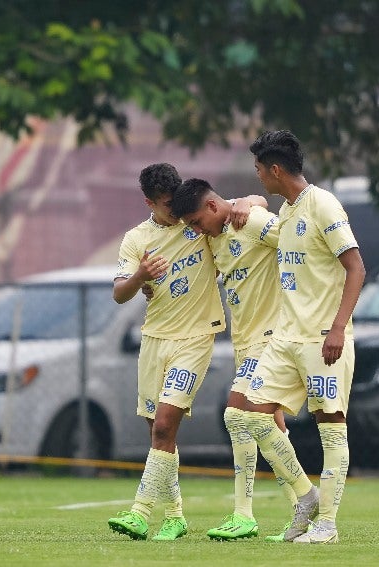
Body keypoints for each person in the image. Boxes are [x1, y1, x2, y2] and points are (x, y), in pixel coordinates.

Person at [106, 163, 264, 541]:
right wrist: (141, 277)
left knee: (164, 425)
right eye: (165, 204)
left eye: (176, 201)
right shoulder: (136, 239)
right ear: (148, 202)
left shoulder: (196, 225)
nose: (175, 211)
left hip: (195, 340)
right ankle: (175, 516)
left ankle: (140, 512)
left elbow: (227, 208)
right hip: (154, 339)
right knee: (158, 434)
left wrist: (251, 198)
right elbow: (118, 293)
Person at [241, 130, 366, 544]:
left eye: (259, 170)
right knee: (251, 415)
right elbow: (251, 214)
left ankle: (327, 525)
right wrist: (242, 205)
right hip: (286, 338)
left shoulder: (323, 204)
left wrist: (337, 328)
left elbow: (356, 268)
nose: (258, 177)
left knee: (330, 426)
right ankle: (306, 495)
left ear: (275, 170)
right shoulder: (290, 211)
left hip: (321, 339)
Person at [170, 178, 298, 541]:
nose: (196, 230)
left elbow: (299, 244)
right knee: (270, 427)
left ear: (211, 207)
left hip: (273, 339)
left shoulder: (253, 221)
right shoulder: (214, 236)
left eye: (196, 221)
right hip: (246, 344)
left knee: (235, 414)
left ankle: (246, 513)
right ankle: (301, 510)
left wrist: (254, 203)